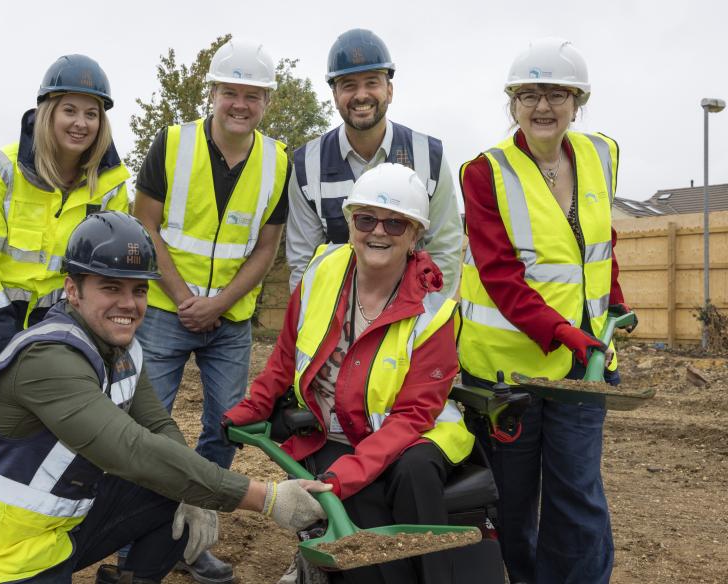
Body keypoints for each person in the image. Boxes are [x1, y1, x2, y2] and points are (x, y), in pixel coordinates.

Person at [0, 211, 329, 584]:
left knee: (172, 485)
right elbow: (131, 450)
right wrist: (267, 497)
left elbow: (157, 426)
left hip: (48, 536)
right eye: (110, 287)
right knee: (163, 472)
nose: (129, 304)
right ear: (73, 290)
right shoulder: (48, 358)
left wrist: (195, 492)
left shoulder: (119, 348)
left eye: (139, 290)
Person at [224, 164, 476, 584]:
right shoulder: (323, 271)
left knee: (410, 477)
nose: (379, 231)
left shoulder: (434, 312)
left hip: (412, 434)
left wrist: (346, 475)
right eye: (366, 218)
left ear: (415, 235)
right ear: (350, 222)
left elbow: (414, 415)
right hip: (336, 430)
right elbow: (286, 353)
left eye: (396, 222)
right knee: (359, 529)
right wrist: (252, 407)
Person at [457, 38, 636, 584]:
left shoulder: (601, 154)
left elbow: (597, 243)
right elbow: (501, 276)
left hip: (584, 366)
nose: (542, 106)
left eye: (556, 93)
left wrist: (616, 305)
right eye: (529, 93)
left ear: (577, 100)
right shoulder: (484, 173)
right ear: (512, 101)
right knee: (513, 503)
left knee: (577, 493)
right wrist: (564, 332)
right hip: (508, 371)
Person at [132, 38, 290, 584]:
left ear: (267, 101)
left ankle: (191, 530)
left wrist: (219, 303)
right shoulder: (172, 144)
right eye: (230, 92)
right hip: (162, 312)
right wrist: (183, 299)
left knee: (225, 428)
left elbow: (266, 247)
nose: (240, 104)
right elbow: (145, 225)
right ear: (213, 93)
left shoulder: (277, 161)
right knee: (145, 427)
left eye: (253, 95)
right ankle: (139, 541)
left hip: (230, 322)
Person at [0, 54, 130, 387]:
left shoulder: (110, 186)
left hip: (63, 322)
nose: (81, 123)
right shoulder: (0, 171)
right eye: (70, 110)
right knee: (2, 424)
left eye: (91, 114)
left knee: (56, 422)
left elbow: (105, 270)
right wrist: (6, 345)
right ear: (48, 112)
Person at [286, 29, 462, 298]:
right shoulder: (306, 165)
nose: (361, 95)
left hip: (410, 321)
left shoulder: (429, 156)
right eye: (348, 85)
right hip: (334, 324)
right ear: (334, 95)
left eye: (372, 82)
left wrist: (426, 323)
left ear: (389, 90)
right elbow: (304, 264)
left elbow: (444, 251)